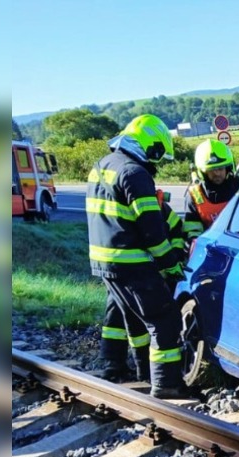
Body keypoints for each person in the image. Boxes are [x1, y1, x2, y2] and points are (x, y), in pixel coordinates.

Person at [87, 114, 190, 399]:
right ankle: (166, 384)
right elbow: (152, 232)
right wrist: (171, 265)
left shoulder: (102, 166)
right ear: (151, 146)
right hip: (131, 261)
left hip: (104, 261)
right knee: (164, 319)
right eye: (158, 155)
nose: (157, 162)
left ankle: (139, 371)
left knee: (133, 319)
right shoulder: (135, 173)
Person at [183, 140, 239, 239]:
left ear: (228, 168)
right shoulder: (195, 194)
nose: (217, 173)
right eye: (212, 169)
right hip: (211, 245)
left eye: (220, 168)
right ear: (203, 172)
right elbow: (193, 232)